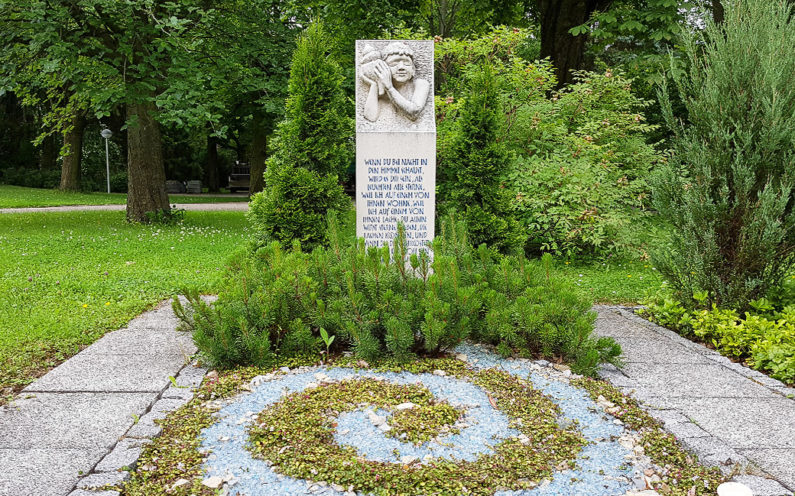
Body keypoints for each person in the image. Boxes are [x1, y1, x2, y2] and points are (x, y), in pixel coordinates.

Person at [361, 42, 430, 123]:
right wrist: (374, 84)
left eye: (406, 63)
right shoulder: (382, 90)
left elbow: (414, 113)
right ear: (383, 68)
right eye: (394, 64)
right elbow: (370, 117)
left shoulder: (421, 84)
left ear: (413, 70)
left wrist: (389, 88)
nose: (401, 67)